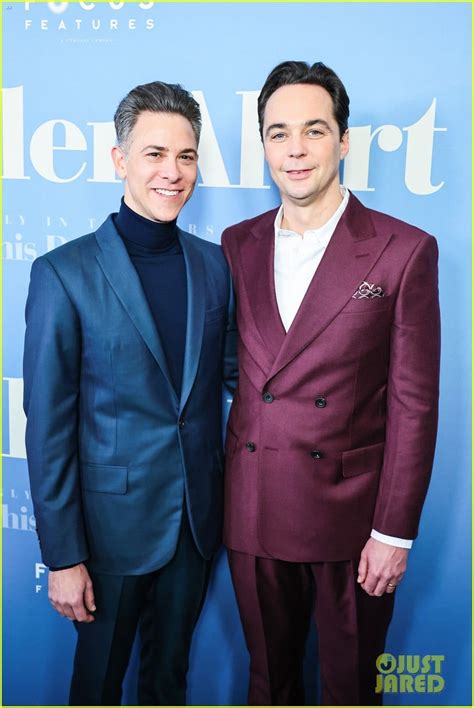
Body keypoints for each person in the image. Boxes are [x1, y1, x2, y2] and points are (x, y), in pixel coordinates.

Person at [221, 61, 440, 706]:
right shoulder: (236, 245)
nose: (295, 149)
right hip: (254, 505)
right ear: (263, 145)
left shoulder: (403, 250)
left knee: (349, 690)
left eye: (313, 130)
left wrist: (394, 533)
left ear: (343, 142)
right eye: (278, 132)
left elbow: (414, 403)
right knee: (269, 685)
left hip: (354, 517)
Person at [23, 80, 237, 706]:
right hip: (108, 534)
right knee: (97, 685)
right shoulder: (63, 273)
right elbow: (49, 427)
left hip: (196, 526)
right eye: (155, 154)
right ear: (120, 160)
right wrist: (63, 558)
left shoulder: (214, 265)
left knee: (169, 682)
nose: (173, 173)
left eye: (187, 156)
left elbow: (238, 379)